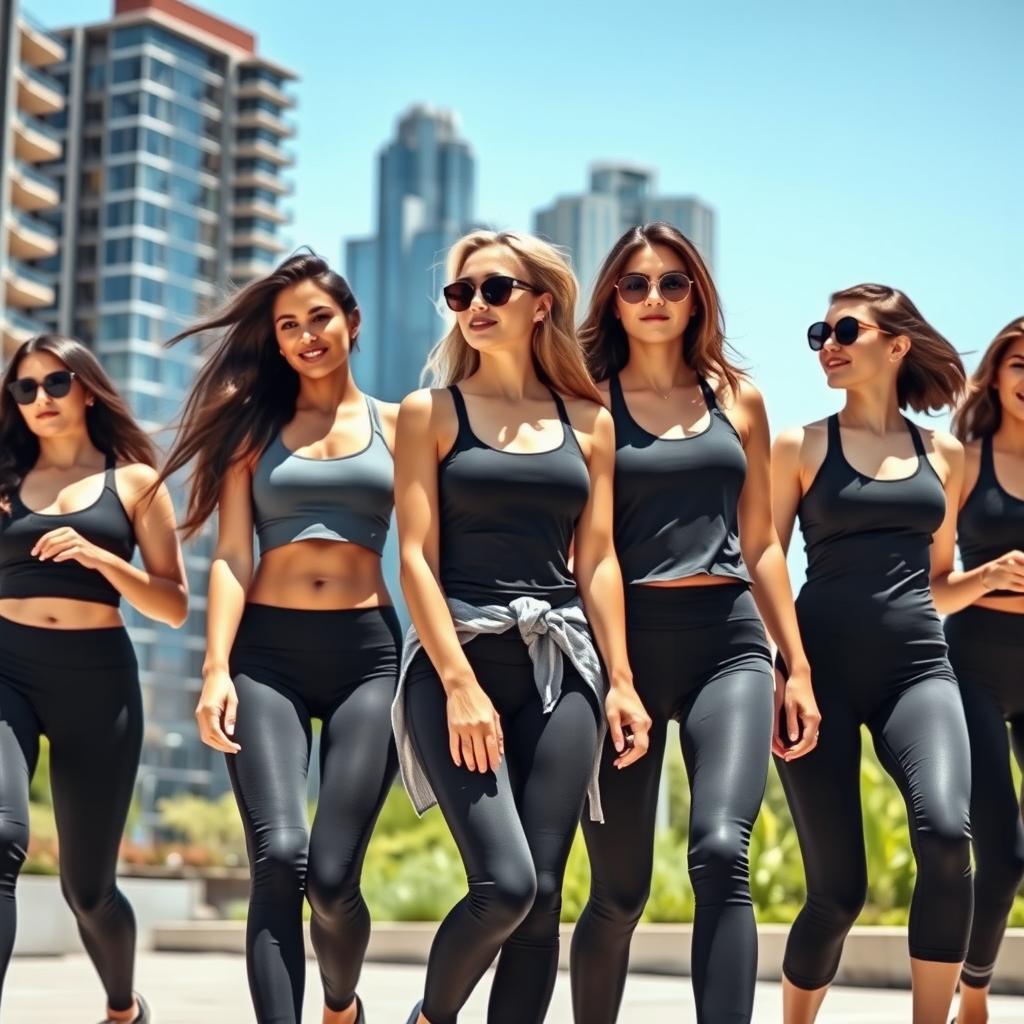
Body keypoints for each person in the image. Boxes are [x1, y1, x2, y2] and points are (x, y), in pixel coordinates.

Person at [393, 230, 651, 1024]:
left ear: (541, 304)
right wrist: (458, 684)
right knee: (504, 884)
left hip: (563, 665)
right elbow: (413, 559)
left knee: (541, 902)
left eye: (493, 289)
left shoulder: (589, 420)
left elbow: (598, 561)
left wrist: (622, 683)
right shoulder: (429, 412)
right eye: (460, 293)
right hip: (459, 660)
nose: (474, 305)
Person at [569, 221, 819, 1024]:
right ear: (613, 296)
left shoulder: (736, 397)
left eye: (672, 283)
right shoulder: (585, 400)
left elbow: (764, 542)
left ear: (696, 296)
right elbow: (594, 552)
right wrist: (617, 679)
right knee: (618, 892)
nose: (653, 298)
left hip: (730, 644)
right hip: (625, 650)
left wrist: (797, 663)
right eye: (636, 283)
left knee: (721, 852)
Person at [156, 253, 399, 1024]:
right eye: (288, 325)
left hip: (371, 658)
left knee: (331, 878)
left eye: (318, 319)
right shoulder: (254, 430)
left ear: (351, 324)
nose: (305, 336)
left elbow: (437, 546)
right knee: (279, 859)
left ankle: (340, 1003)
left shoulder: (403, 424)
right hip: (266, 659)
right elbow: (232, 554)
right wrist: (215, 669)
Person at [771, 285, 972, 1024]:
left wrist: (979, 583)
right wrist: (788, 670)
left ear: (896, 346)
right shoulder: (800, 446)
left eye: (847, 329)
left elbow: (938, 583)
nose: (829, 342)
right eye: (820, 329)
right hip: (814, 676)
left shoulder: (945, 456)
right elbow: (762, 557)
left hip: (918, 670)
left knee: (949, 837)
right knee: (837, 890)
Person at [0, 334, 188, 1024]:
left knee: (90, 890)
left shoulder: (134, 480)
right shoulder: (2, 482)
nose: (40, 399)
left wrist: (100, 558)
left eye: (55, 384)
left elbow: (172, 604)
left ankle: (121, 1005)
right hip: (6, 666)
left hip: (97, 680)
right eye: (25, 388)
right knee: (0, 838)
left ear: (85, 388)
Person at [936, 317, 1024, 1024]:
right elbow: (929, 589)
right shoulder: (962, 459)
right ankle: (974, 989)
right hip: (974, 667)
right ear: (995, 373)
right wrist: (988, 573)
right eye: (1020, 362)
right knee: (1002, 854)